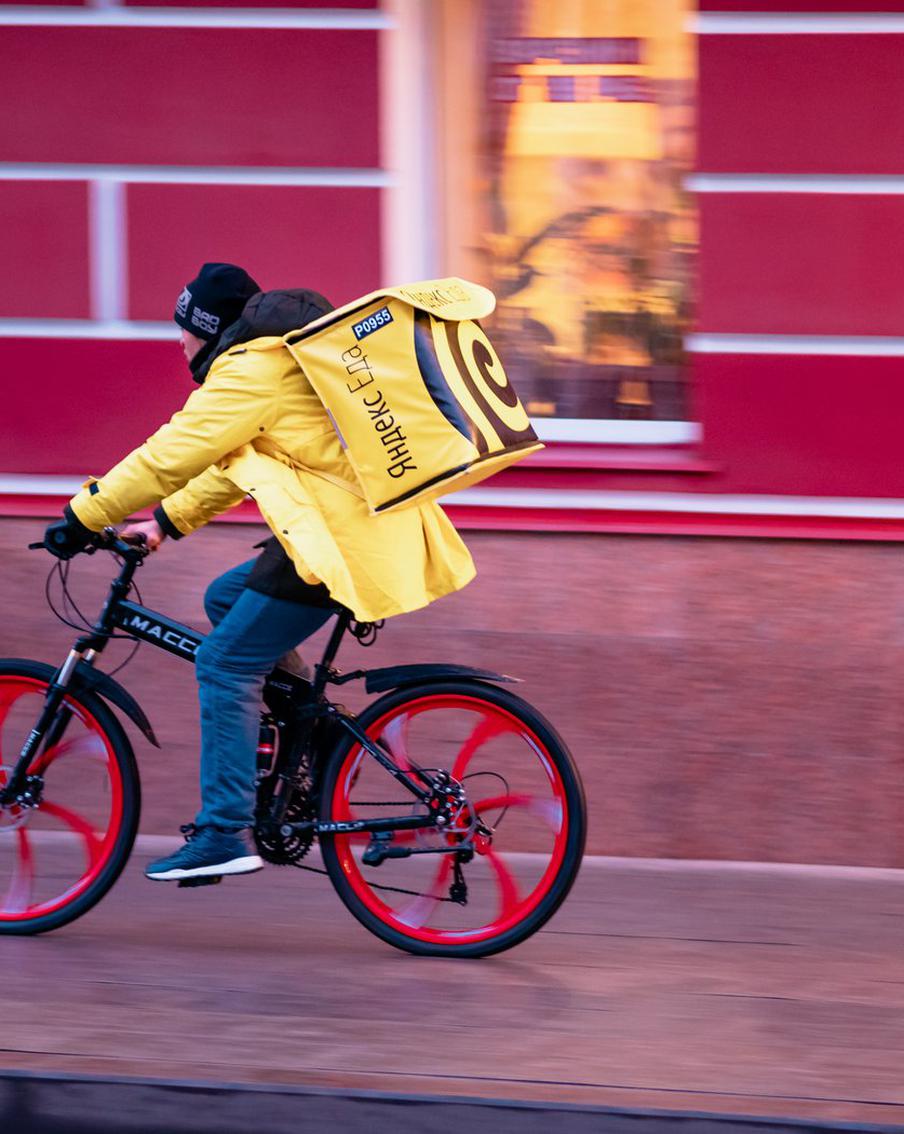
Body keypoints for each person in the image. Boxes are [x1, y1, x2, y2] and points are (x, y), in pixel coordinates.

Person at [42, 263, 477, 882]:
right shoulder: (282, 361)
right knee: (226, 599)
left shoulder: (251, 372)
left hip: (340, 542)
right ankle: (312, 742)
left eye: (183, 329)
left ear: (207, 328)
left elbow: (171, 454)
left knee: (223, 662)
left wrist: (84, 515)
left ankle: (224, 832)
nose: (180, 344)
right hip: (351, 533)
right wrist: (164, 522)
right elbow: (229, 463)